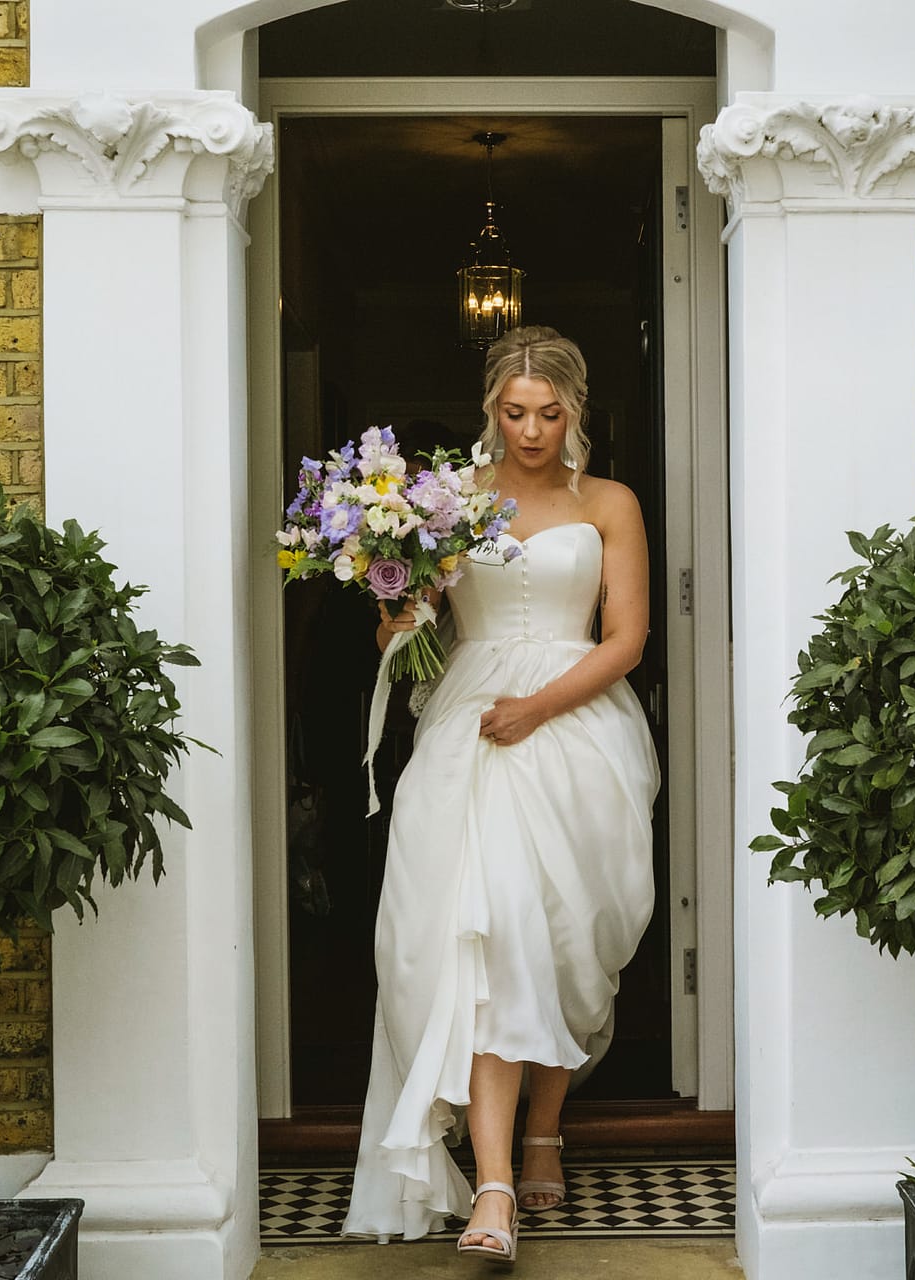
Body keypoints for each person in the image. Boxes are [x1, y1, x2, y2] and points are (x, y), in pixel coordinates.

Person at [341, 326, 659, 1266]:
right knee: (483, 935)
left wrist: (536, 708)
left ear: (575, 412)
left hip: (577, 725)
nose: (531, 430)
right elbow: (413, 632)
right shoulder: (448, 503)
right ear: (492, 410)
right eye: (515, 412)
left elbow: (626, 639)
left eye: (550, 414)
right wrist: (396, 609)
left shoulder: (610, 504)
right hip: (468, 728)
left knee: (564, 939)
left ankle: (544, 1131)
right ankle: (493, 1185)